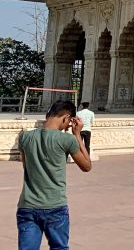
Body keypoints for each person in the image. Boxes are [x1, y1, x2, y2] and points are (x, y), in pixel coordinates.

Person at [17, 99, 92, 250]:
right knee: (59, 247)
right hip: (55, 205)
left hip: (28, 205)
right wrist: (77, 135)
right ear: (66, 119)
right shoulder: (67, 139)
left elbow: (27, 167)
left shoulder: (24, 137)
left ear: (47, 115)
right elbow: (87, 166)